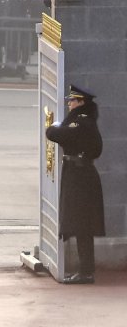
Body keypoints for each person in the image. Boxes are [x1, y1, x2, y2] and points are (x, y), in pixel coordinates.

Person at [45, 84, 105, 284]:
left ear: (81, 102)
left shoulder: (81, 121)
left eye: (72, 100)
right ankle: (85, 271)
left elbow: (57, 135)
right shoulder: (81, 121)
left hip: (81, 176)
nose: (69, 103)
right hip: (77, 174)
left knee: (82, 225)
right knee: (80, 225)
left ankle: (86, 272)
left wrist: (52, 127)